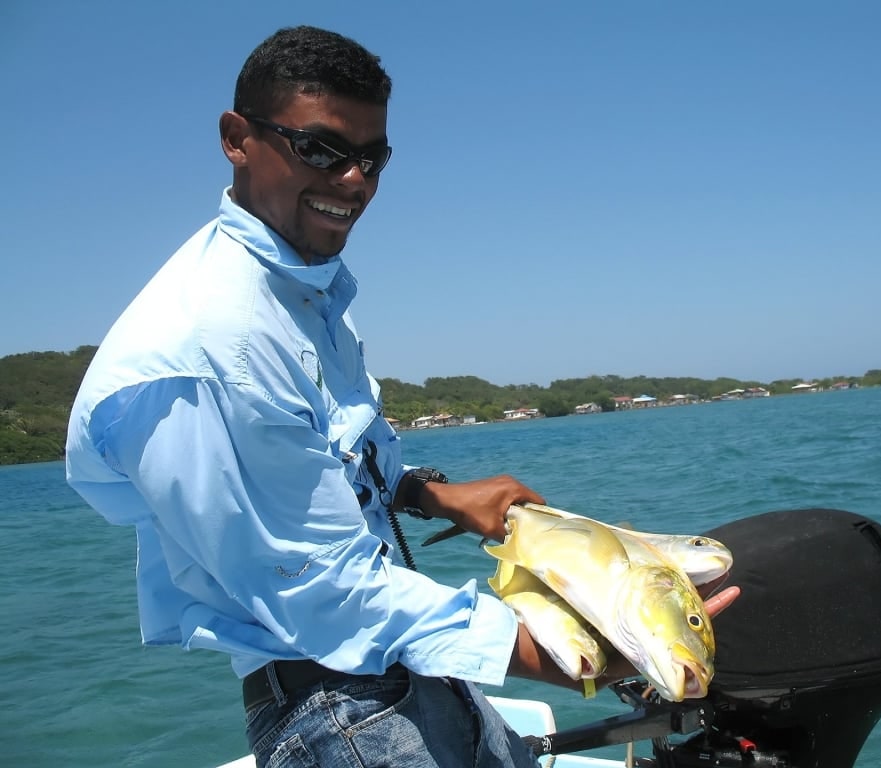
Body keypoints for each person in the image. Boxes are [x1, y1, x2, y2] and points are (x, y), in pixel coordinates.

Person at [65, 25, 739, 768]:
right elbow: (318, 593)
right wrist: (572, 653)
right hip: (340, 716)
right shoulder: (214, 346)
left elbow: (338, 467)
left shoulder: (302, 294)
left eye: (372, 157)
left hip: (406, 675)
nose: (354, 180)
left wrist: (431, 495)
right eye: (320, 149)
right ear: (236, 138)